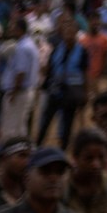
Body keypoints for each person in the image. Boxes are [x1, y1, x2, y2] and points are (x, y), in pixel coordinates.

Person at [37, 20, 89, 151]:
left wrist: (85, 92)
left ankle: (63, 149)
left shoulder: (82, 51)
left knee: (67, 123)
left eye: (71, 32)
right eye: (66, 32)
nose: (68, 35)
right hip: (55, 90)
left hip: (71, 93)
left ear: (76, 33)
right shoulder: (56, 49)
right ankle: (38, 146)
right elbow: (49, 68)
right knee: (46, 120)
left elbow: (85, 73)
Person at [0, 19, 41, 140]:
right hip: (26, 91)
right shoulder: (29, 44)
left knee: (11, 128)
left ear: (19, 29)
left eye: (13, 27)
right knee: (20, 126)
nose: (11, 30)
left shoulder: (22, 47)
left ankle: (11, 154)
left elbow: (21, 72)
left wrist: (14, 92)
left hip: (19, 92)